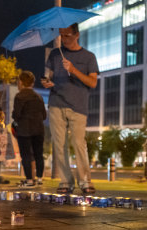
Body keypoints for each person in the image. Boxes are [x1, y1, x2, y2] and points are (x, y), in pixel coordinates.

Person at [41, 23, 99, 195]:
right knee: (59, 144)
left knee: (79, 143)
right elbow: (47, 76)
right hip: (56, 102)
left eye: (67, 35)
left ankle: (85, 181)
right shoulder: (54, 54)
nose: (63, 39)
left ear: (77, 35)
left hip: (78, 105)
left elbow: (92, 82)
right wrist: (46, 81)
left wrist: (73, 70)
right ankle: (66, 181)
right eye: (61, 35)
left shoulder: (89, 57)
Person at [13, 70, 47, 187]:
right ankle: (39, 179)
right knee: (39, 154)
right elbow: (44, 115)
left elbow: (16, 115)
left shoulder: (19, 96)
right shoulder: (39, 96)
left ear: (21, 82)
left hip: (24, 130)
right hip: (39, 129)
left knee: (26, 155)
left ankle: (29, 180)